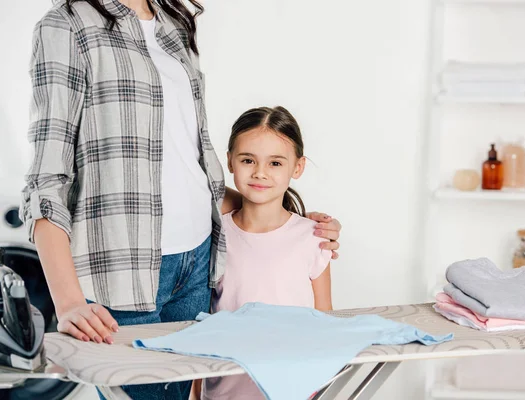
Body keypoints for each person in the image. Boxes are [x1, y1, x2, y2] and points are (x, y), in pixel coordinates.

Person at [19, 1, 342, 399]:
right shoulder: (67, 25)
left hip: (199, 263)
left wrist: (290, 225)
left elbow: (183, 167)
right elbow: (47, 179)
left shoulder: (174, 24)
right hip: (125, 271)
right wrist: (67, 301)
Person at [193, 106, 334, 400]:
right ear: (230, 161)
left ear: (297, 167)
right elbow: (202, 319)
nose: (259, 173)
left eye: (275, 163)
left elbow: (325, 323)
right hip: (223, 392)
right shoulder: (214, 234)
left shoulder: (313, 237)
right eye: (248, 160)